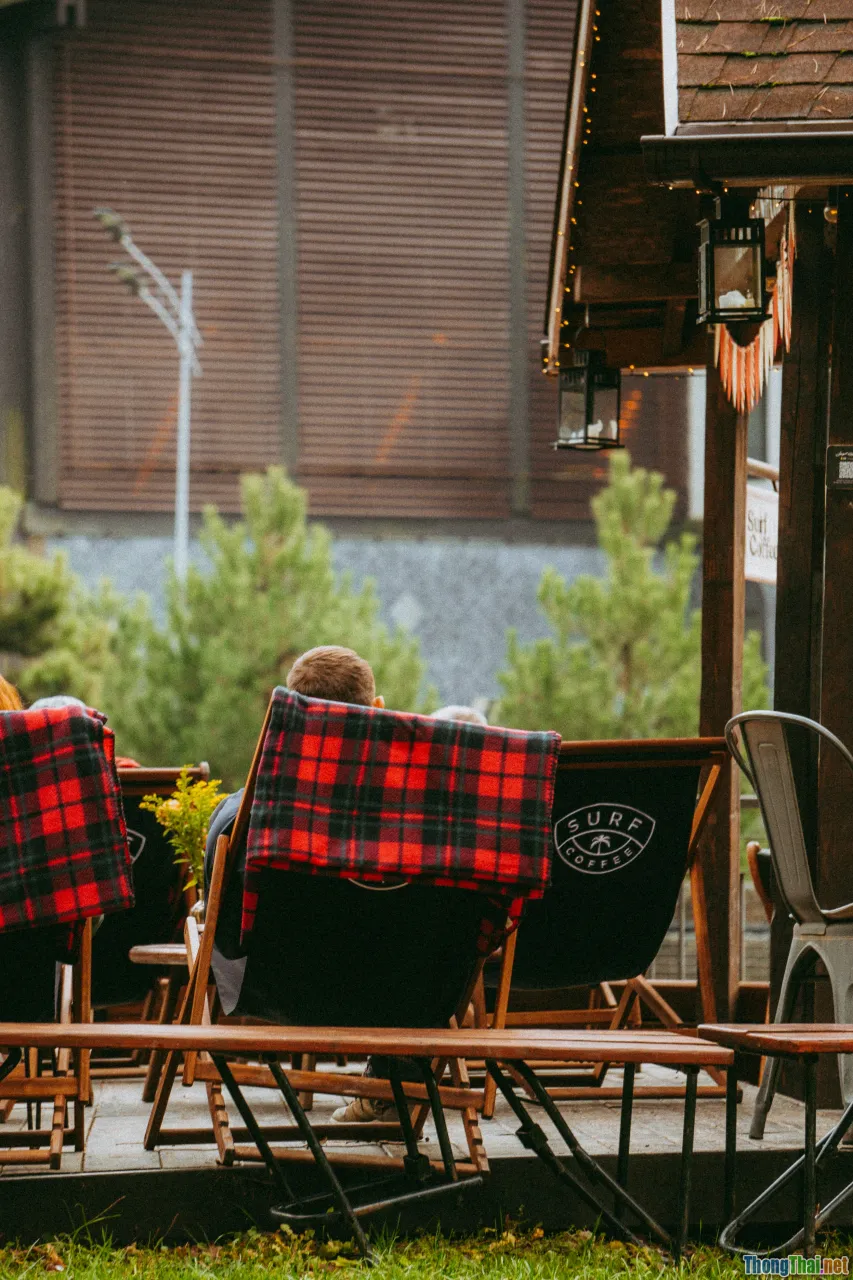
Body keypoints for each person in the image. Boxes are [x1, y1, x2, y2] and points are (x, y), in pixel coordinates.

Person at [203, 646, 384, 1015]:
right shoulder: (420, 814)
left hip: (272, 998)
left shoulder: (238, 817)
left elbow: (223, 936)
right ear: (378, 709)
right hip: (398, 997)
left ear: (285, 714)